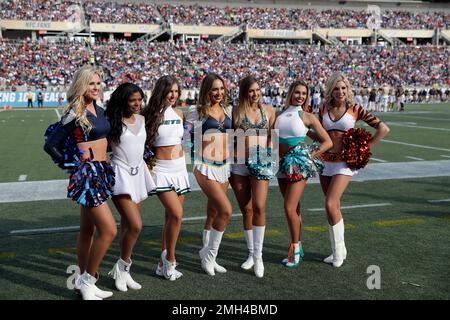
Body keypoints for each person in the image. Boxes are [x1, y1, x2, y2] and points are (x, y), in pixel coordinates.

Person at [44, 65, 116, 300]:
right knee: (109, 230)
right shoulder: (75, 112)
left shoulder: (100, 110)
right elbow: (51, 144)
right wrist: (74, 166)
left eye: (97, 83)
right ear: (81, 86)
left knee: (88, 230)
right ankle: (88, 280)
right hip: (88, 175)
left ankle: (84, 283)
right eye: (90, 84)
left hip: (102, 171)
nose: (95, 87)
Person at [319, 72, 390, 268]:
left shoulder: (355, 109)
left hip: (344, 163)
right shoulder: (323, 108)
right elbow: (316, 131)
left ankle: (338, 253)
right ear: (330, 90)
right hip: (326, 162)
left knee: (330, 204)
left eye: (343, 88)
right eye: (336, 88)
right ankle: (339, 250)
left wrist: (365, 147)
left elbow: (383, 128)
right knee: (334, 207)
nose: (340, 91)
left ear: (347, 89)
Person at [275, 80, 332, 268]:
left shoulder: (307, 116)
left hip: (298, 165)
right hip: (281, 164)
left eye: (303, 93)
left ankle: (295, 250)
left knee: (289, 208)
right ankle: (298, 244)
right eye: (297, 92)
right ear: (290, 92)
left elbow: (327, 142)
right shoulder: (279, 114)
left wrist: (308, 155)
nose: (300, 96)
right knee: (294, 209)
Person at [105, 83, 155, 292]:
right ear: (123, 100)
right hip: (120, 175)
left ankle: (124, 272)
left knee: (128, 227)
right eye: (132, 100)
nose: (137, 104)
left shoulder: (142, 119)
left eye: (139, 100)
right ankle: (122, 266)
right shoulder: (111, 122)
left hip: (139, 174)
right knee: (136, 225)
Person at [141, 75, 189, 281]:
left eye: (176, 92)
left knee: (171, 219)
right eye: (170, 91)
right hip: (160, 169)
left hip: (180, 168)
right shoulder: (149, 115)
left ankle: (162, 265)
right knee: (176, 215)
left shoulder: (180, 113)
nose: (173, 95)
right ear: (161, 91)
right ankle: (170, 259)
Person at [185, 73, 232, 276]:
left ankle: (208, 254)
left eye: (221, 88)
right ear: (206, 90)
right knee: (226, 211)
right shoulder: (196, 112)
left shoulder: (228, 109)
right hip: (205, 166)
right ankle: (209, 255)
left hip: (225, 166)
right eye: (214, 89)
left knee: (213, 212)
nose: (219, 93)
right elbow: (188, 140)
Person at [229, 75, 276, 278]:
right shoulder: (237, 111)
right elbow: (231, 138)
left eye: (257, 89)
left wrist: (269, 159)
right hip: (239, 164)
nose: (255, 93)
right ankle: (250, 253)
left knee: (259, 206)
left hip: (261, 164)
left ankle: (259, 257)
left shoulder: (269, 111)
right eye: (251, 91)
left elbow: (272, 137)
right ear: (244, 92)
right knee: (246, 210)